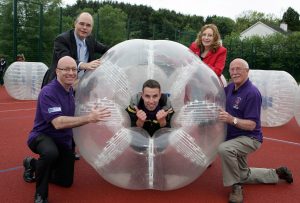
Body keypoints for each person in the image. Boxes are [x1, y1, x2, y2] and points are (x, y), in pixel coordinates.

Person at [23, 56, 111, 203]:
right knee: (50, 153)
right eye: (66, 69)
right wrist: (90, 117)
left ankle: (32, 164)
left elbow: (85, 86)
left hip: (63, 140)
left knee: (65, 182)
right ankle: (41, 195)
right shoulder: (48, 92)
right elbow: (57, 123)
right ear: (57, 71)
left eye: (73, 69)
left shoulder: (70, 89)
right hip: (42, 136)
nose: (71, 72)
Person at [217, 58, 293, 203]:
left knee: (224, 149)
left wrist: (231, 119)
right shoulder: (230, 88)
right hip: (235, 137)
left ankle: (236, 187)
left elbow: (252, 125)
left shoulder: (252, 93)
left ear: (247, 71)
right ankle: (277, 174)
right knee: (243, 174)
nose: (234, 72)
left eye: (238, 69)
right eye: (232, 69)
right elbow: (215, 95)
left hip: (250, 138)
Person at [41, 12, 109, 87]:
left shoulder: (90, 40)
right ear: (75, 24)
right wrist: (85, 65)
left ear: (91, 28)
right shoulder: (62, 39)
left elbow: (106, 49)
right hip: (59, 84)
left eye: (88, 25)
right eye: (82, 24)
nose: (84, 27)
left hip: (80, 85)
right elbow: (66, 60)